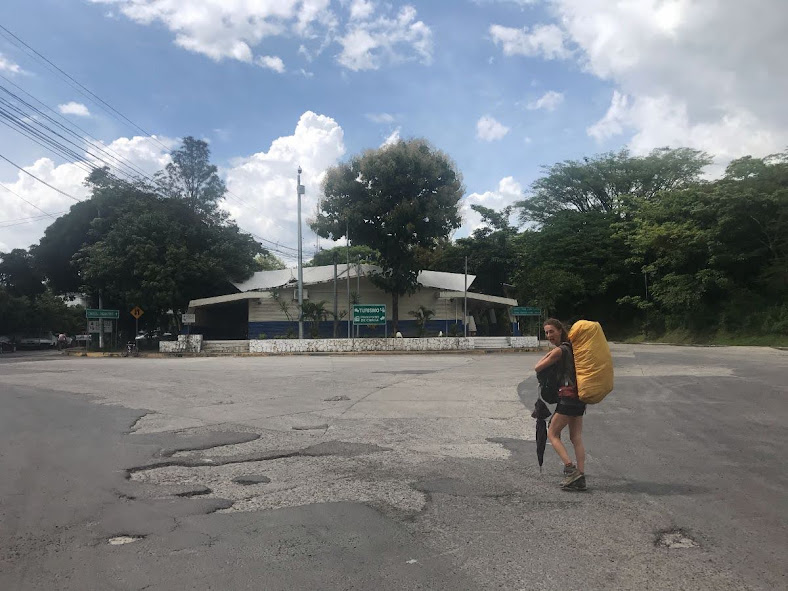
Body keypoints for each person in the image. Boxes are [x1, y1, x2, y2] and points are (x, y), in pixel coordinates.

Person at [534, 318, 587, 491]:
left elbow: (538, 367)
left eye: (551, 331)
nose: (549, 335)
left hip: (567, 398)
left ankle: (570, 468)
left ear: (560, 330)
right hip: (579, 398)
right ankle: (580, 474)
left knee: (552, 433)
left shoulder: (560, 350)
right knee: (575, 437)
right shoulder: (572, 348)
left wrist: (550, 353)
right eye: (546, 333)